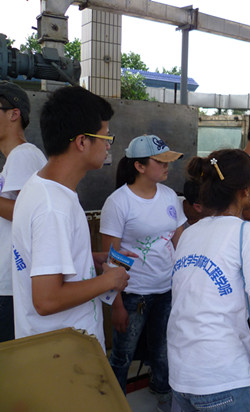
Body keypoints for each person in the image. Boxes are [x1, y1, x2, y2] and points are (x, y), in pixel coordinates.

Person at [11, 86, 129, 351]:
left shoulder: (42, 186)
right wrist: (109, 281)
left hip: (59, 349)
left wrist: (89, 259)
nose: (108, 145)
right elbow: (47, 300)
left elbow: (42, 260)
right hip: (63, 355)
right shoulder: (53, 207)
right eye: (105, 137)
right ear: (82, 142)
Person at [168, 149, 250, 411]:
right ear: (245, 192)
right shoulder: (248, 233)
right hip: (224, 378)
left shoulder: (189, 234)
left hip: (180, 375)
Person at [100, 135, 186, 408]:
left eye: (168, 161)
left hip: (166, 289)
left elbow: (179, 241)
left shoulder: (170, 196)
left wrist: (182, 283)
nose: (166, 166)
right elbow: (111, 259)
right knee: (123, 354)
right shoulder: (118, 202)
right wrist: (117, 305)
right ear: (139, 166)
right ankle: (115, 402)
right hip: (133, 293)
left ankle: (162, 391)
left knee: (162, 349)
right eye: (160, 162)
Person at [0, 81, 46, 342]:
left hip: (10, 286)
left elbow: (27, 213)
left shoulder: (23, 155)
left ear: (13, 114)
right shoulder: (14, 160)